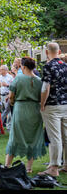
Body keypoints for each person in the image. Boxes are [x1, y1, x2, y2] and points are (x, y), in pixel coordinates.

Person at [5, 57, 46, 173]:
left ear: (23, 66)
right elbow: (42, 96)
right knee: (33, 138)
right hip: (35, 110)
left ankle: (7, 165)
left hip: (20, 109)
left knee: (15, 137)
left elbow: (11, 95)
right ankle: (29, 167)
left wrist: (13, 102)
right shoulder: (39, 80)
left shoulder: (18, 78)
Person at [39, 42, 67, 177]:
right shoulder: (66, 66)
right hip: (65, 104)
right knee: (65, 136)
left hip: (53, 105)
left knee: (55, 137)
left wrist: (42, 104)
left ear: (46, 52)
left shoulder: (48, 66)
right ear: (59, 51)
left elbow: (45, 87)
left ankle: (54, 167)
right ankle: (66, 165)